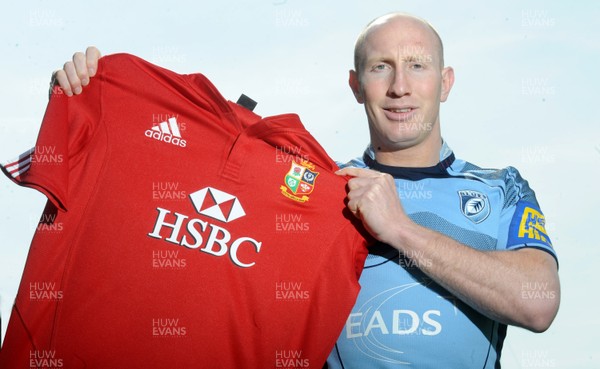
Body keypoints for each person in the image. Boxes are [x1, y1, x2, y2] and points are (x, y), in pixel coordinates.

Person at [50, 12, 560, 368]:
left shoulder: (500, 189)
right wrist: (93, 104)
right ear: (356, 85)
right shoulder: (314, 191)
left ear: (445, 82)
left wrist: (401, 230)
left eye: (417, 66)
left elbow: (538, 304)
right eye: (380, 67)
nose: (400, 86)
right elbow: (187, 229)